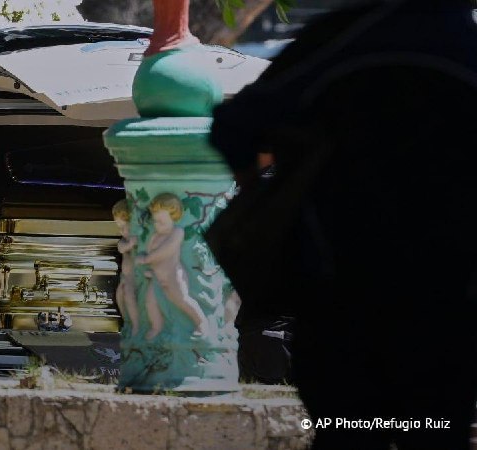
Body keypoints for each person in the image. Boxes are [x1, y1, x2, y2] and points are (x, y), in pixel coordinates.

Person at [209, 0, 477, 448]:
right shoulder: (465, 49)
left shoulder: (340, 41)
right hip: (448, 307)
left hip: (337, 294)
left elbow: (234, 130)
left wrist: (285, 182)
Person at [137, 193, 210, 340]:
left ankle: (202, 323)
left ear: (174, 217)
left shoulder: (177, 232)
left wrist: (146, 259)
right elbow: (152, 253)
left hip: (173, 276)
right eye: (155, 221)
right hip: (157, 277)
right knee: (150, 303)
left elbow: (166, 251)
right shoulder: (155, 236)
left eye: (162, 222)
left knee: (182, 299)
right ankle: (156, 327)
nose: (157, 225)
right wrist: (150, 268)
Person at [112, 199, 141, 336]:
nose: (121, 231)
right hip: (125, 279)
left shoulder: (142, 241)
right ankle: (127, 323)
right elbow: (121, 248)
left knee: (130, 297)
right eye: (119, 227)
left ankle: (136, 326)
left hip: (135, 280)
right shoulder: (125, 241)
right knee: (120, 297)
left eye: (124, 226)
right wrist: (130, 244)